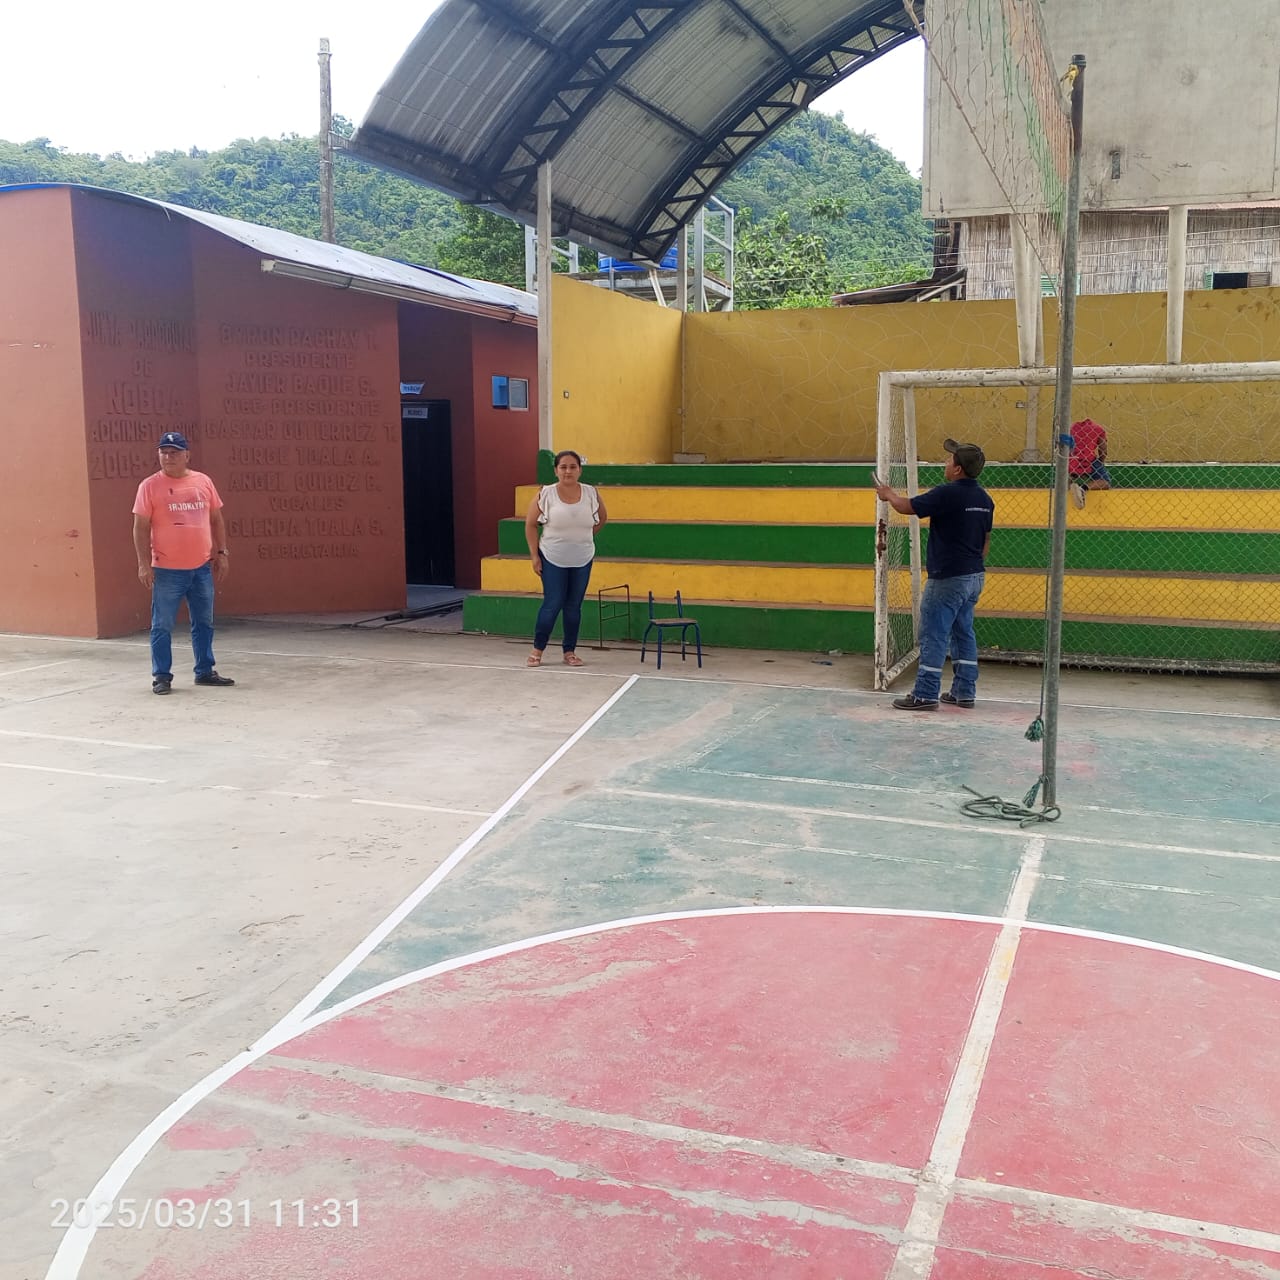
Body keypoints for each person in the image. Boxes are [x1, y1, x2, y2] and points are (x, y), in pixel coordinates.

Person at [874, 438, 995, 710]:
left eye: (950, 460)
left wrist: (888, 494)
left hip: (948, 577)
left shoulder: (947, 493)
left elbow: (907, 507)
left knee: (933, 634)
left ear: (958, 469)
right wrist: (971, 564)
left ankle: (925, 694)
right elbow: (986, 540)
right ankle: (965, 691)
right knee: (963, 633)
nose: (946, 462)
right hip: (974, 576)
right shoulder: (985, 499)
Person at [132, 431, 234, 695]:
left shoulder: (203, 481)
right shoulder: (149, 486)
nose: (169, 457)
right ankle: (161, 676)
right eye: (164, 452)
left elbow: (216, 519)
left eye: (175, 452)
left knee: (204, 622)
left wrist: (221, 552)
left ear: (187, 455)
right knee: (162, 625)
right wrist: (143, 564)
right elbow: (140, 527)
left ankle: (205, 671)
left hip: (201, 567)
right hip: (167, 570)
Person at [524, 450, 607, 667]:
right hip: (552, 558)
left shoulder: (591, 493)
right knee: (553, 603)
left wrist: (582, 538)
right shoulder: (546, 494)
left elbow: (602, 518)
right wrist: (534, 556)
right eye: (563, 467)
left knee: (573, 607)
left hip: (583, 559)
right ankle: (537, 650)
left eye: (572, 467)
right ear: (556, 471)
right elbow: (530, 525)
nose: (568, 471)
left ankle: (569, 652)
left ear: (580, 470)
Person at [1069, 417, 1112, 508]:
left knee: (1068, 474)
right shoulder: (1098, 429)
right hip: (1089, 460)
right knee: (1105, 482)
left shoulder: (1071, 428)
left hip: (1072, 459)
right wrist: (1100, 462)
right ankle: (1083, 488)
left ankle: (1068, 485)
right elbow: (1103, 450)